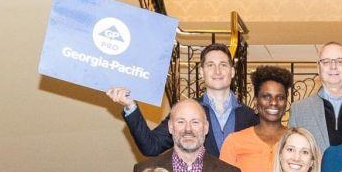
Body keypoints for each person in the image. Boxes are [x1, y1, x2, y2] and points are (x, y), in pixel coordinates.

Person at [107, 42, 255, 158]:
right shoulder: (185, 111)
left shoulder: (251, 116)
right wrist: (130, 106)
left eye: (223, 65)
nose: (217, 71)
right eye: (210, 65)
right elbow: (151, 147)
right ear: (202, 73)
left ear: (233, 71)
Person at [220, 66, 294, 172]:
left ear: (286, 103)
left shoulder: (297, 140)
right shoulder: (234, 142)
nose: (274, 102)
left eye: (280, 98)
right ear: (256, 101)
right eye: (266, 97)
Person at [288, 42, 342, 152]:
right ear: (318, 68)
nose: (333, 66)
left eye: (340, 61)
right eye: (326, 62)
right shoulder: (299, 110)